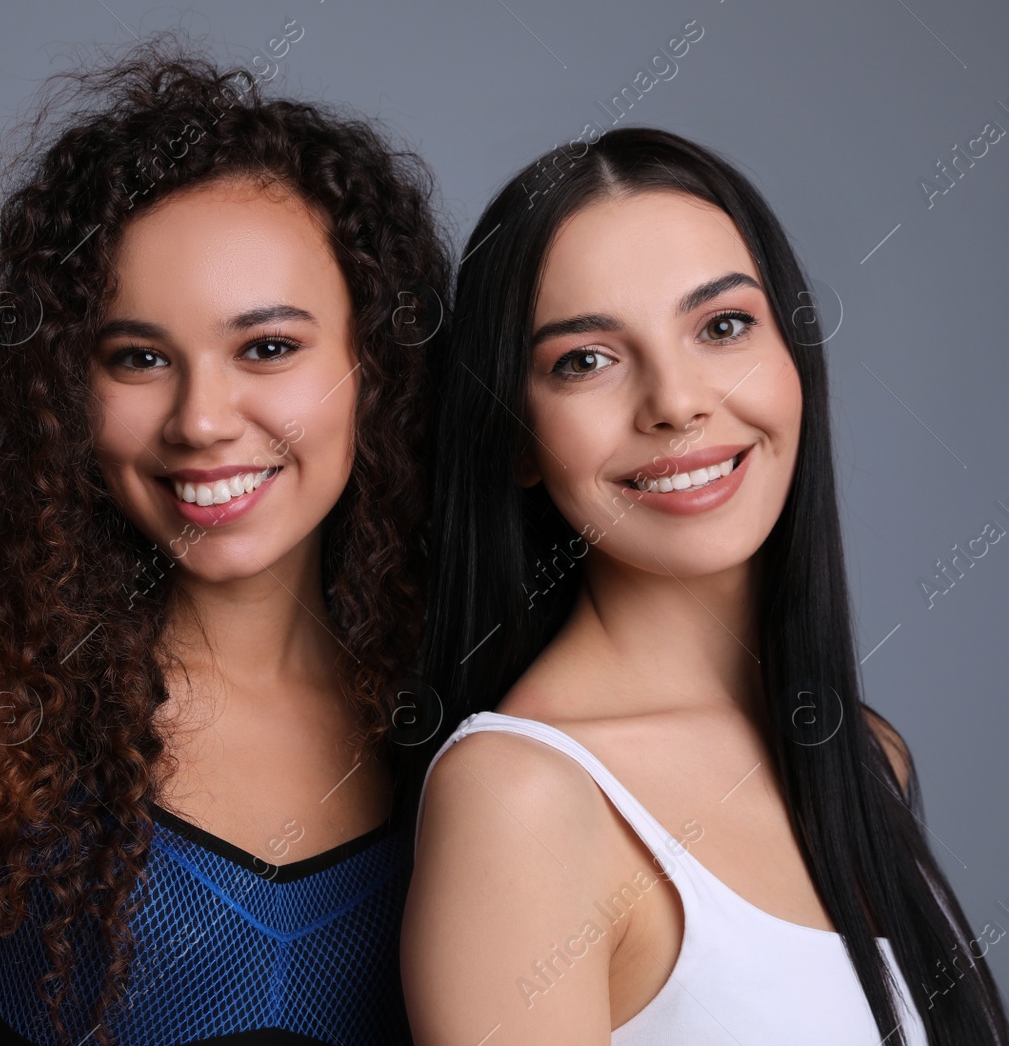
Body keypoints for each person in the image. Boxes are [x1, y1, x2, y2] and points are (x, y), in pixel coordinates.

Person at [0, 40, 451, 1045]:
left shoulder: (456, 691)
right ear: (67, 388)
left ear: (375, 361)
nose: (201, 419)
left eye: (267, 347)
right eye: (138, 357)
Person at [403, 126, 1009, 1044]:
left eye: (723, 326)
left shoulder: (864, 755)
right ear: (517, 437)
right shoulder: (521, 799)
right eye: (587, 360)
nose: (677, 402)